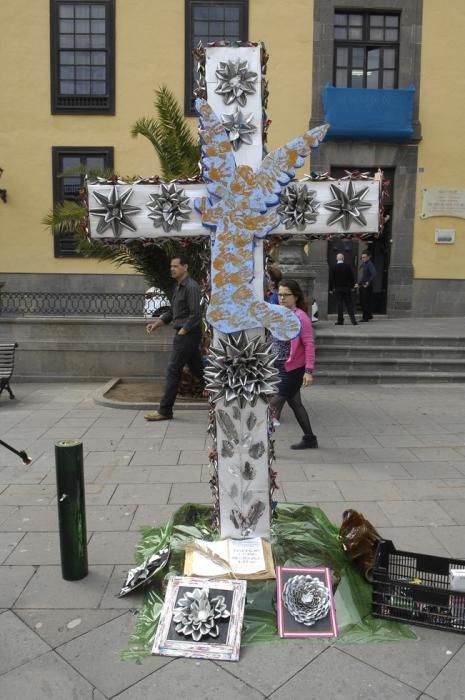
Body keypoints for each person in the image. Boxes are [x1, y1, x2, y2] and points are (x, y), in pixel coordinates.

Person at [144, 255, 204, 421]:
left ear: (185, 267)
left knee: (172, 370)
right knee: (200, 370)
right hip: (185, 334)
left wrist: (183, 331)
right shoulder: (178, 287)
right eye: (171, 266)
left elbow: (195, 314)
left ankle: (164, 411)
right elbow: (173, 312)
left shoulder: (191, 287)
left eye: (175, 266)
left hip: (187, 335)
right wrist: (157, 323)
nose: (172, 269)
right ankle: (226, 394)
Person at [269, 279, 318, 449]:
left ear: (295, 296)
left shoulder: (301, 317)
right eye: (280, 295)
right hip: (278, 366)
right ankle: (310, 438)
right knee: (296, 403)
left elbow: (309, 344)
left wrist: (309, 371)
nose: (282, 298)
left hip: (292, 370)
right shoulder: (278, 314)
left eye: (286, 295)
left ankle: (262, 445)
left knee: (272, 406)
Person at [329, 253, 358, 326]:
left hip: (338, 288)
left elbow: (331, 279)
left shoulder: (334, 267)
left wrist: (331, 289)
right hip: (346, 288)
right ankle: (353, 320)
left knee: (340, 305)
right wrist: (352, 287)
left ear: (337, 258)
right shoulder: (347, 267)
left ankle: (340, 321)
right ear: (343, 258)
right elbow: (351, 278)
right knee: (349, 304)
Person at [357, 251, 376, 322]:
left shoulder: (370, 264)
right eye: (362, 257)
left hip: (366, 286)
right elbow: (363, 276)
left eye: (364, 257)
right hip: (363, 285)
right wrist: (359, 284)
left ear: (368, 257)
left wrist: (368, 282)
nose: (363, 258)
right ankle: (369, 315)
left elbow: (374, 274)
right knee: (364, 301)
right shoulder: (364, 264)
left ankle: (365, 317)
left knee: (365, 302)